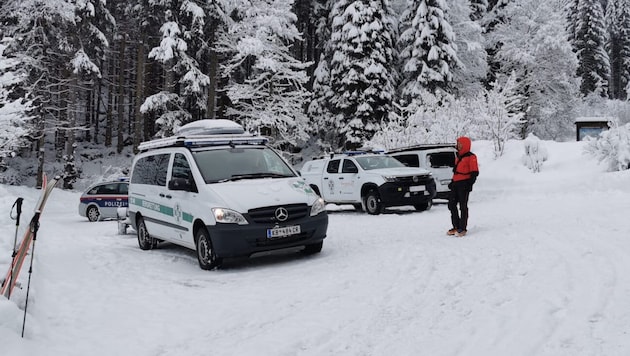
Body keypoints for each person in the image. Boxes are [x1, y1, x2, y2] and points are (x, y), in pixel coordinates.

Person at [447, 136, 479, 237]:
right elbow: (456, 171)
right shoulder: (458, 156)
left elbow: (474, 172)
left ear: (465, 144)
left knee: (463, 206)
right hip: (456, 183)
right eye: (458, 143)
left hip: (464, 184)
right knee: (451, 204)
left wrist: (470, 184)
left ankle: (462, 227)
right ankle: (456, 225)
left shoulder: (471, 157)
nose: (458, 145)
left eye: (460, 143)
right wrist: (452, 182)